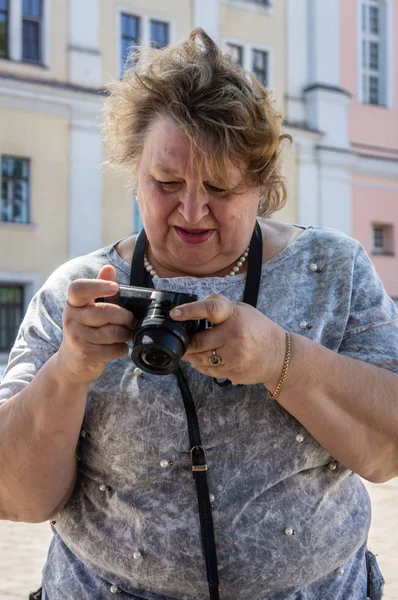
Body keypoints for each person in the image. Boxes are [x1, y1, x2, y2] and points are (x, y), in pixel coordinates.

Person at [0, 28, 396, 600]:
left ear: (261, 185)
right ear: (134, 174)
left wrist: (284, 359)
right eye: (165, 183)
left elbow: (389, 453)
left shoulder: (331, 270)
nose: (191, 210)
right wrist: (67, 372)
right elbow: (16, 497)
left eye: (219, 186)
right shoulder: (78, 292)